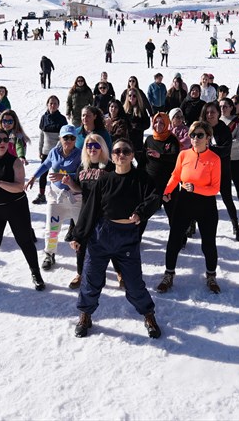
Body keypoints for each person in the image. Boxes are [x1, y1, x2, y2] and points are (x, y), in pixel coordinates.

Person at [68, 138, 162, 338]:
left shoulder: (141, 178)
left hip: (127, 237)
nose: (121, 154)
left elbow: (154, 197)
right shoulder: (105, 179)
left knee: (134, 283)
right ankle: (85, 315)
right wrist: (79, 235)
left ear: (132, 155)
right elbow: (90, 209)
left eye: (126, 151)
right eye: (117, 151)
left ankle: (148, 314)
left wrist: (140, 212)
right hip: (101, 235)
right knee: (91, 278)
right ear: (112, 156)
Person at [0, 128, 46, 291]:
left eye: (6, 140)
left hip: (16, 207)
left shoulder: (15, 162)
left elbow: (20, 187)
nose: (3, 143)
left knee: (25, 241)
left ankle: (36, 274)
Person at [157, 121, 223, 294]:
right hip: (184, 202)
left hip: (206, 204)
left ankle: (211, 276)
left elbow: (215, 188)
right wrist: (166, 191)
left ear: (208, 137)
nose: (195, 139)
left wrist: (196, 188)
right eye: (192, 135)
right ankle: (168, 274)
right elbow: (176, 175)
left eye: (199, 135)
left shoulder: (214, 159)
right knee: (174, 240)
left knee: (208, 244)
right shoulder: (183, 155)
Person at [25, 125, 83, 271]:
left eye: (72, 138)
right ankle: (49, 254)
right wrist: (34, 176)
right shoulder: (54, 152)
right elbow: (46, 165)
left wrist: (65, 177)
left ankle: (85, 255)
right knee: (52, 228)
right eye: (66, 137)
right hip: (56, 197)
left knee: (83, 229)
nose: (69, 140)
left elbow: (83, 175)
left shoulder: (80, 154)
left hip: (74, 198)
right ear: (60, 138)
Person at [64, 133, 117, 288]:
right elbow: (80, 189)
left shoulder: (109, 166)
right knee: (81, 242)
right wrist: (69, 184)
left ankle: (120, 272)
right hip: (86, 210)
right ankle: (80, 273)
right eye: (89, 146)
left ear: (102, 148)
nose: (92, 149)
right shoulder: (82, 166)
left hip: (105, 212)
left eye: (96, 146)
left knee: (110, 244)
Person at [201, 101, 239, 240]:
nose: (210, 115)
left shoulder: (224, 129)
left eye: (212, 112)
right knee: (202, 201)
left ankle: (236, 226)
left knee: (227, 199)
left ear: (218, 113)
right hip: (205, 171)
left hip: (222, 170)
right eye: (207, 112)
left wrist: (209, 149)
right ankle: (195, 226)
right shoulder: (201, 129)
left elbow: (225, 150)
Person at [144, 112, 181, 224]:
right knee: (144, 212)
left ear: (166, 124)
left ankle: (179, 239)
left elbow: (176, 157)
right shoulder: (149, 139)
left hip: (168, 184)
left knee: (173, 214)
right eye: (156, 122)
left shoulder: (172, 139)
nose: (158, 124)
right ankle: (136, 238)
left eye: (161, 122)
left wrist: (160, 155)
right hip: (151, 183)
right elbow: (143, 160)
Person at [34, 96, 67, 205]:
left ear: (58, 105)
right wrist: (40, 149)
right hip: (46, 151)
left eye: (55, 103)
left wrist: (57, 150)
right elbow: (42, 135)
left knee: (59, 173)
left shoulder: (62, 119)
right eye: (51, 103)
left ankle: (62, 195)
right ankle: (41, 194)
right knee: (43, 173)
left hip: (58, 151)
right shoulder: (44, 118)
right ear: (47, 104)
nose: (53, 105)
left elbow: (63, 137)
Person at [123, 88, 151, 169]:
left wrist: (137, 126)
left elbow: (147, 124)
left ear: (137, 97)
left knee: (141, 164)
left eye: (134, 96)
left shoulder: (142, 109)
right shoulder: (124, 109)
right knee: (126, 164)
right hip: (126, 141)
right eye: (130, 95)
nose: (132, 97)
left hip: (137, 141)